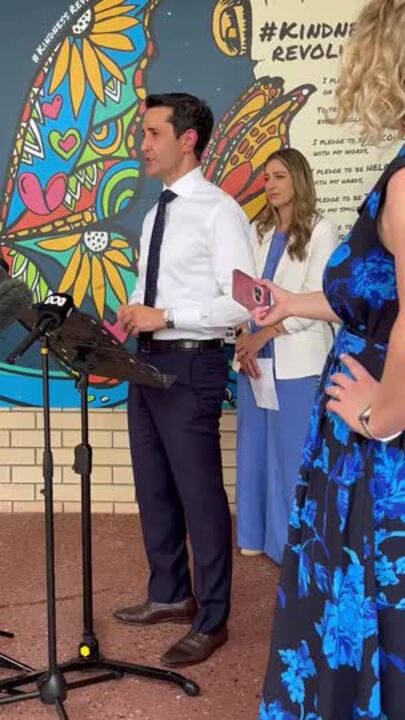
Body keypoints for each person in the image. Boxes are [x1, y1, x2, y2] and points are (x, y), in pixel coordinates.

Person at [256, 1, 405, 717]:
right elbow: (374, 296)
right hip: (367, 415)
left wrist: (384, 412)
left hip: (376, 444)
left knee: (369, 593)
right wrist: (289, 305)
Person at [114, 92, 254, 668]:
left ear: (187, 138)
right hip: (144, 362)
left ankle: (212, 617)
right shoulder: (155, 213)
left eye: (152, 133)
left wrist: (168, 316)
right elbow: (164, 293)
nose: (141, 145)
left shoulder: (220, 211)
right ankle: (170, 593)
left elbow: (244, 306)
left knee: (199, 496)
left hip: (191, 364)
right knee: (153, 487)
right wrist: (140, 308)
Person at [235, 148, 338, 564]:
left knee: (292, 453)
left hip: (297, 359)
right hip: (254, 359)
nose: (270, 185)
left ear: (298, 179)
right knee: (256, 448)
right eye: (265, 178)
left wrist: (268, 334)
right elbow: (241, 291)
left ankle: (294, 546)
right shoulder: (257, 231)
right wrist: (244, 335)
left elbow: (320, 298)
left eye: (278, 176)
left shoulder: (321, 230)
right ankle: (257, 537)